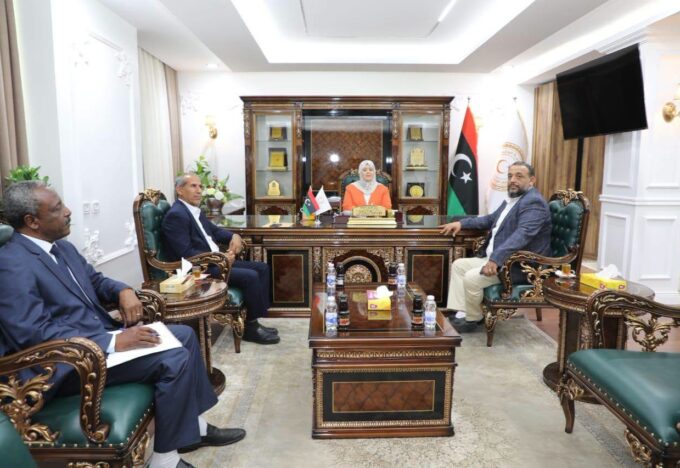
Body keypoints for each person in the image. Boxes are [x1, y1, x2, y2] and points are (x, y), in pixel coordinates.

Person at [0, 181, 244, 468]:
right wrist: (113, 341)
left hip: (94, 342)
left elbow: (96, 281)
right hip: (66, 365)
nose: (67, 211)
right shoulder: (10, 263)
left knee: (184, 335)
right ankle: (165, 461)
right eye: (57, 208)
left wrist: (123, 291)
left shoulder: (61, 247)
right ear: (32, 221)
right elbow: (33, 333)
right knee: (173, 357)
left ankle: (195, 428)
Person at [162, 173, 279, 345]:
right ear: (179, 190)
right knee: (250, 276)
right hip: (198, 270)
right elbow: (186, 253)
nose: (199, 190)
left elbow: (215, 231)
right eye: (193, 186)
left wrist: (234, 236)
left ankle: (253, 320)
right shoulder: (177, 215)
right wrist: (219, 258)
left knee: (262, 268)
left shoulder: (193, 210)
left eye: (200, 186)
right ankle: (250, 329)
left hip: (216, 262)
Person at [439, 162, 552, 332]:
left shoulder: (533, 202)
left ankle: (473, 319)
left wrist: (495, 259)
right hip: (499, 259)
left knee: (471, 278)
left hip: (518, 266)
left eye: (519, 176)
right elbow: (490, 219)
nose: (512, 180)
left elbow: (522, 235)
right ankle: (463, 312)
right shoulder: (513, 199)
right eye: (510, 176)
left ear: (532, 180)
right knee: (459, 265)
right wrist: (461, 223)